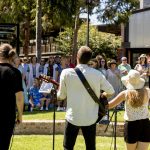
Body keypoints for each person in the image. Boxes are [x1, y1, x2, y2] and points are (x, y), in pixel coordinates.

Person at [57, 46, 115, 150]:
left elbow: (61, 96)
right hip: (90, 117)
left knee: (68, 147)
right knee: (90, 147)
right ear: (89, 59)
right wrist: (102, 95)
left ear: (77, 57)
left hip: (72, 117)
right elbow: (111, 91)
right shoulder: (97, 74)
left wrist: (56, 92)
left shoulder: (66, 73)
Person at [108, 69, 150, 150]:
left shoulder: (125, 93)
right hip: (145, 124)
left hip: (131, 125)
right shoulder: (147, 91)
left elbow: (109, 105)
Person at [0, 43, 24, 150]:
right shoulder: (15, 73)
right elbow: (19, 98)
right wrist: (20, 115)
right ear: (11, 56)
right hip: (7, 116)